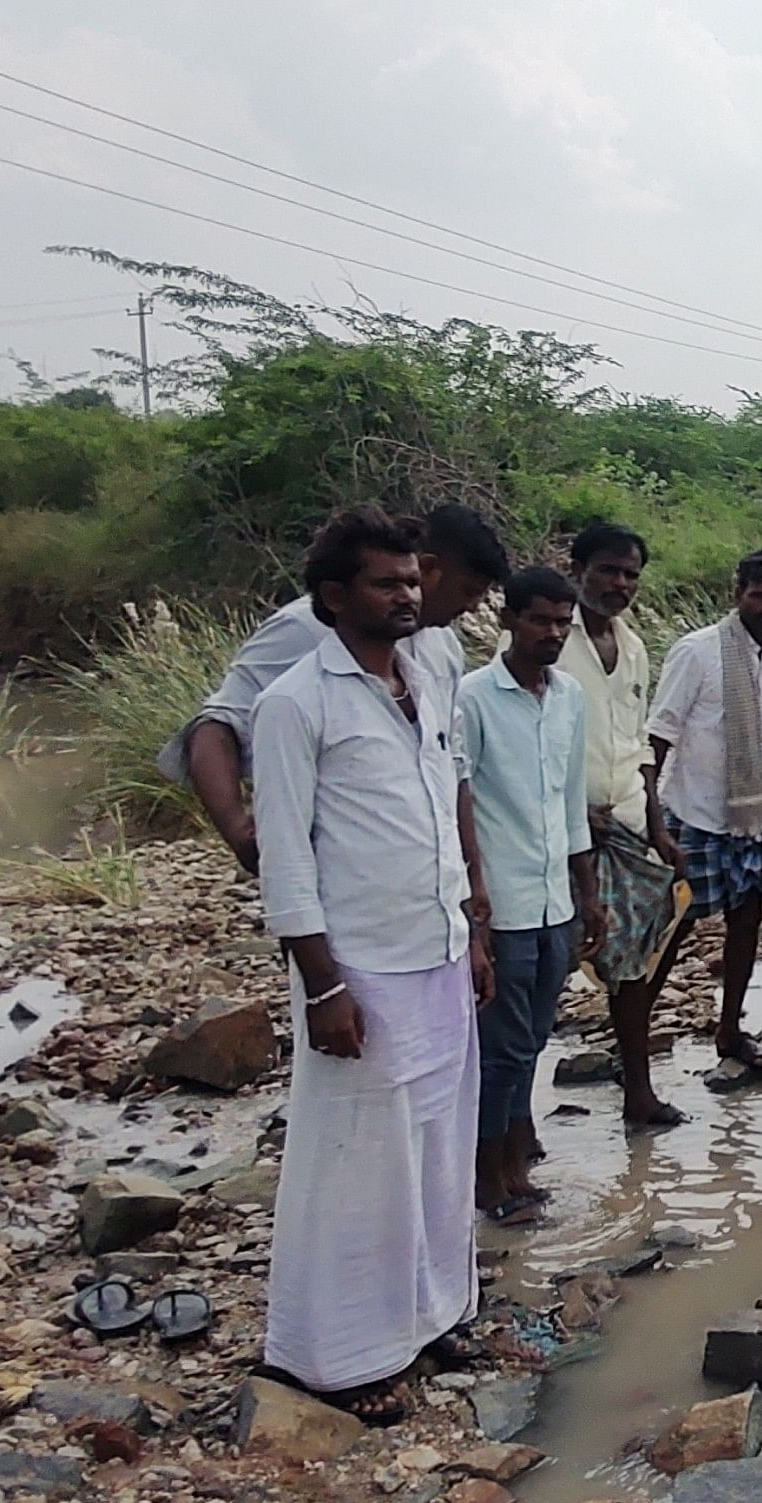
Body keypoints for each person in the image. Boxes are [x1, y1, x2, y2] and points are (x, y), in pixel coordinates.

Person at [248, 507, 491, 1424]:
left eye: (411, 580)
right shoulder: (296, 703)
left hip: (433, 950)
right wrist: (324, 985)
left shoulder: (427, 680)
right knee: (355, 1160)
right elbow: (286, 858)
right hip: (362, 970)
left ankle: (429, 1318)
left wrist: (471, 927)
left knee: (434, 1147)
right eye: (386, 583)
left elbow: (442, 817)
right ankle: (339, 1356)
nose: (407, 595)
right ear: (334, 597)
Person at [163, 504, 509, 871]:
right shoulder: (307, 628)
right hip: (338, 882)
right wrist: (239, 831)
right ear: (427, 568)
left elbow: (450, 761)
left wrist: (471, 870)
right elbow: (217, 726)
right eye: (467, 591)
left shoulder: (444, 650)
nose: (472, 607)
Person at [457, 566, 606, 1224]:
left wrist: (589, 894)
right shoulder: (473, 698)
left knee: (536, 1037)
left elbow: (571, 803)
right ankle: (492, 1178)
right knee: (503, 1047)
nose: (551, 633)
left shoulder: (569, 695)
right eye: (540, 621)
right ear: (508, 621)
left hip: (555, 900)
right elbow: (461, 803)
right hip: (507, 902)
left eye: (561, 624)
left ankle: (516, 1156)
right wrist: (477, 908)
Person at [637, 547, 762, 1113]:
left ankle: (730, 1030)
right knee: (670, 933)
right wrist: (652, 821)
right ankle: (630, 1045)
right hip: (699, 816)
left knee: (747, 922)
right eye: (759, 596)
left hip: (757, 816)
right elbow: (657, 738)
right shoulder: (699, 653)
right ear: (738, 595)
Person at [557, 521, 689, 1118]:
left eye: (631, 574)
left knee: (640, 954)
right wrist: (570, 813)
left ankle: (637, 1087)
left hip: (629, 821)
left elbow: (639, 747)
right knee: (546, 962)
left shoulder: (632, 647)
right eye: (608, 570)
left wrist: (659, 828)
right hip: (559, 832)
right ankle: (508, 1123)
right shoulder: (552, 640)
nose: (619, 584)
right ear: (578, 568)